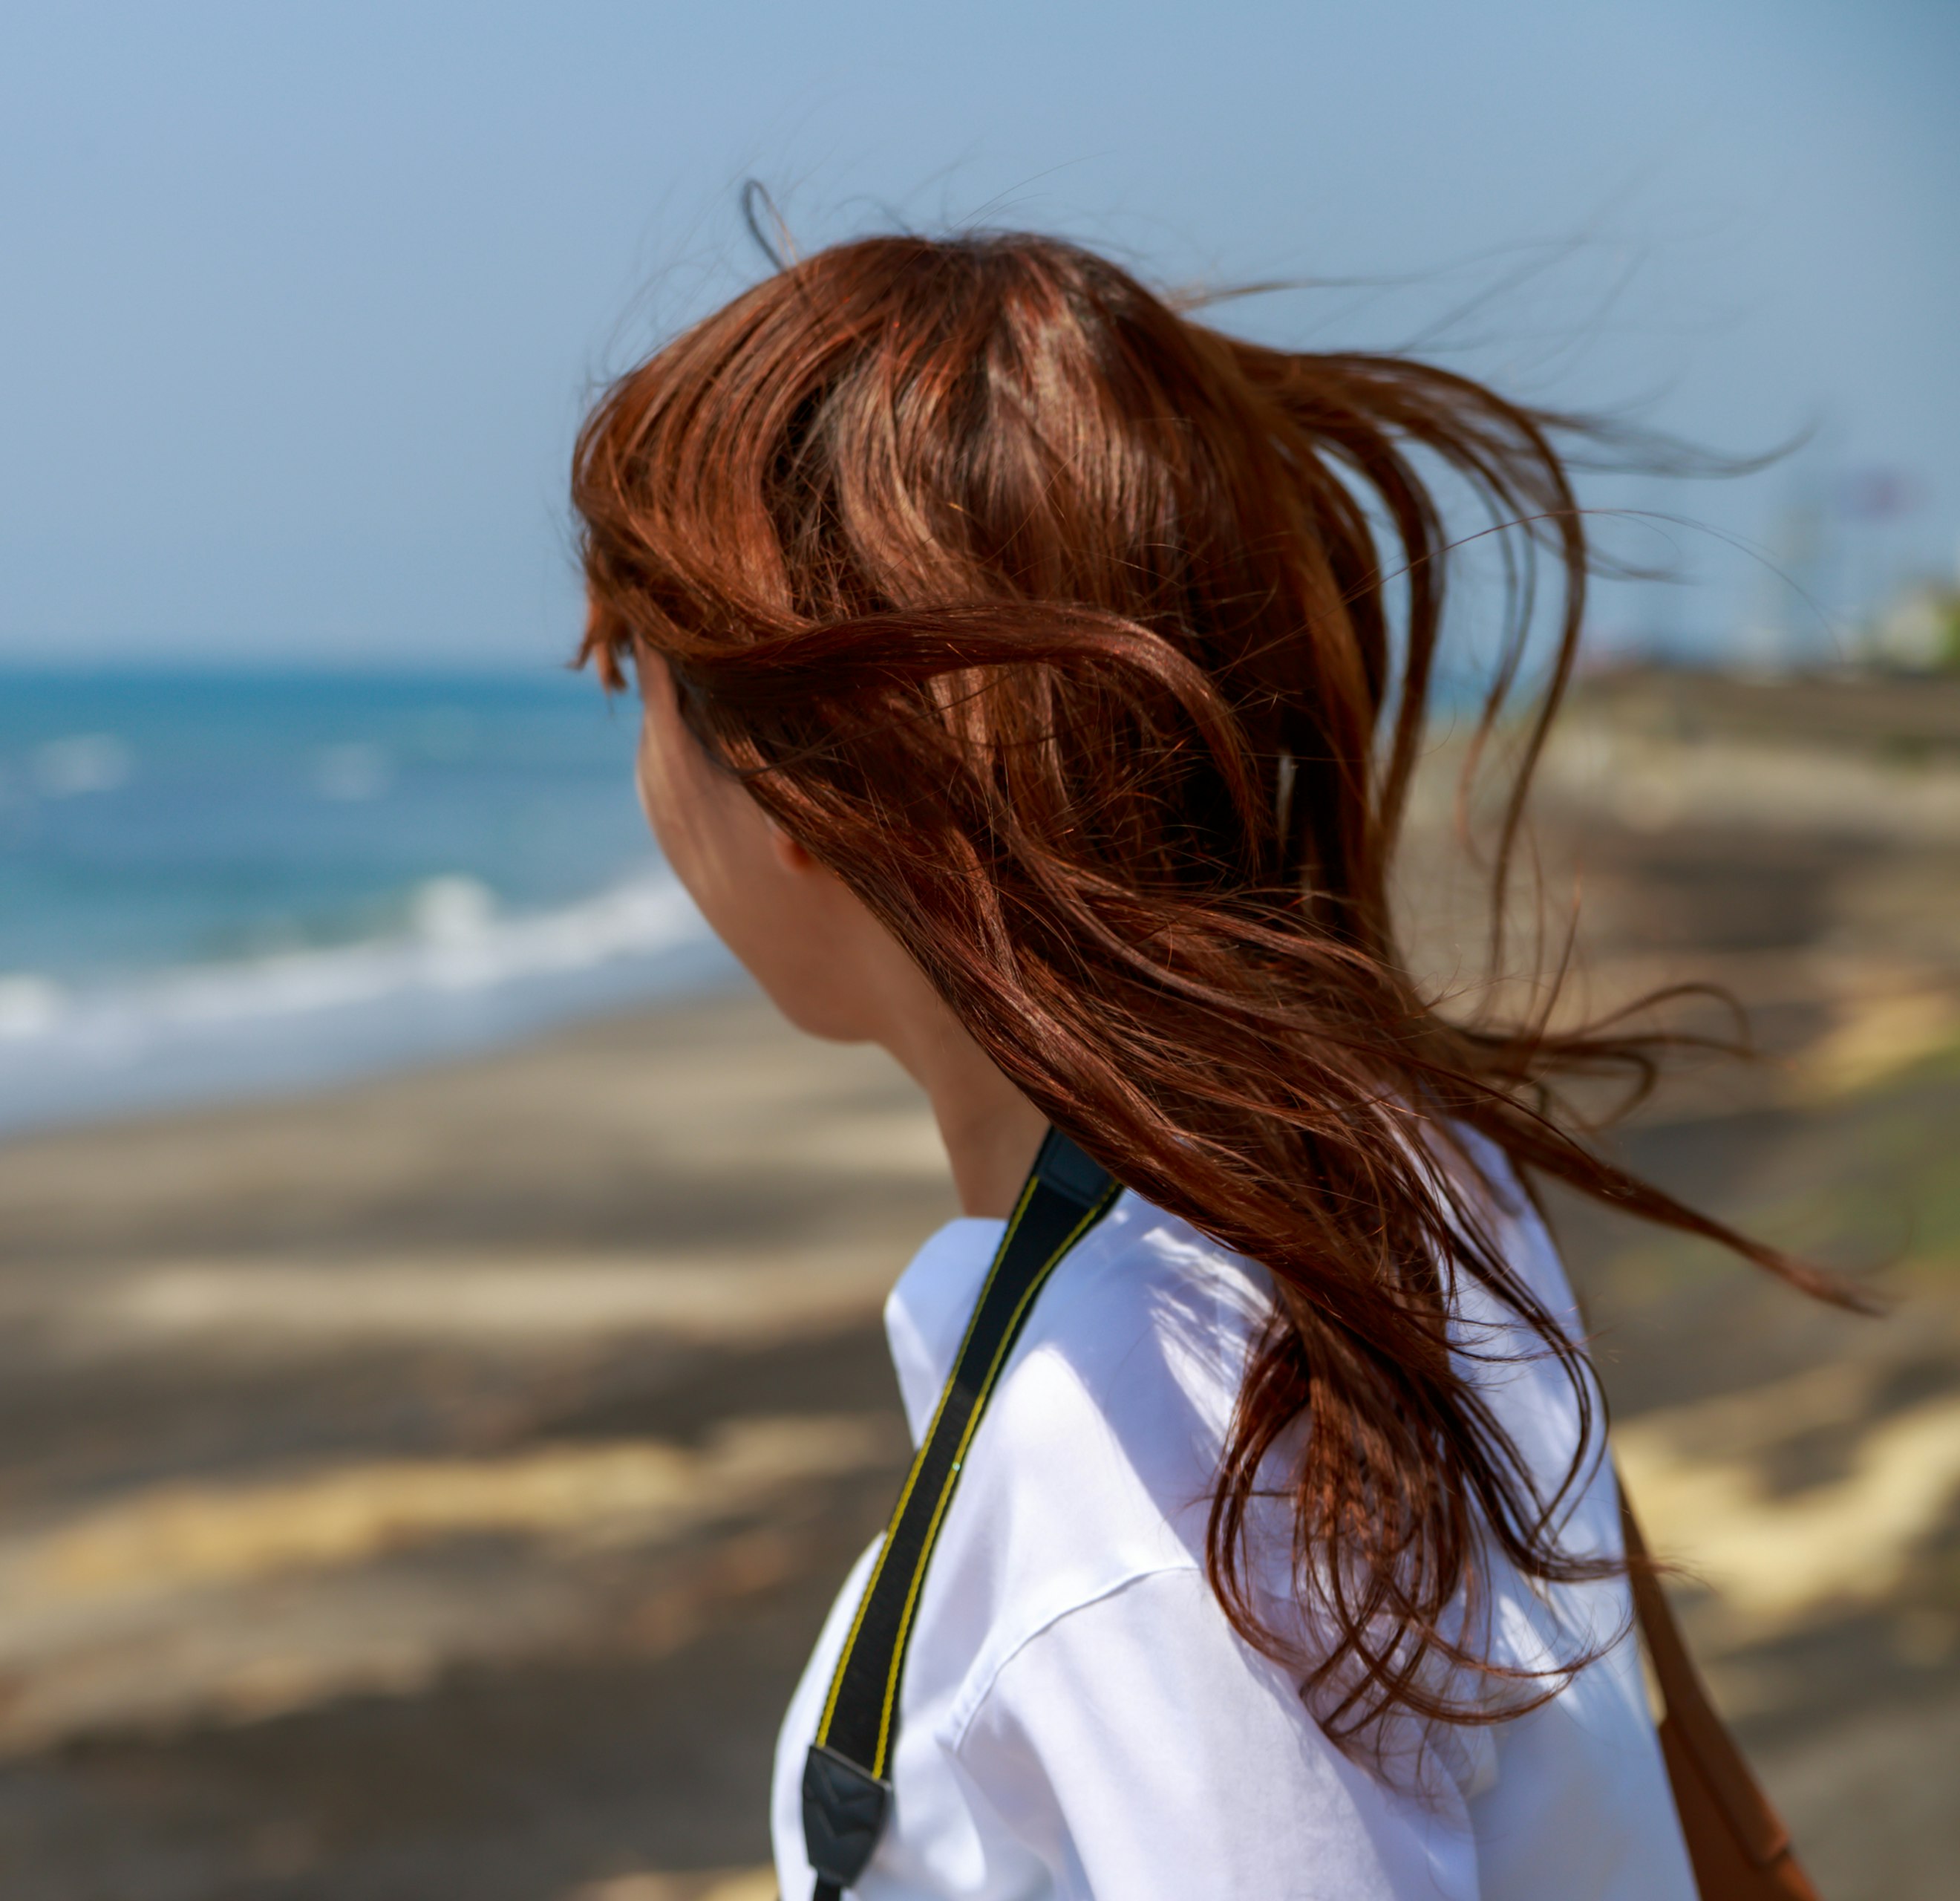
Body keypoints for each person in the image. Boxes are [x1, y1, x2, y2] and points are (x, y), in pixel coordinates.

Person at [570, 230, 1837, 1899]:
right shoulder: (1397, 1158)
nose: (644, 765)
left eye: (634, 679)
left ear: (811, 785)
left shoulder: (1126, 1445)